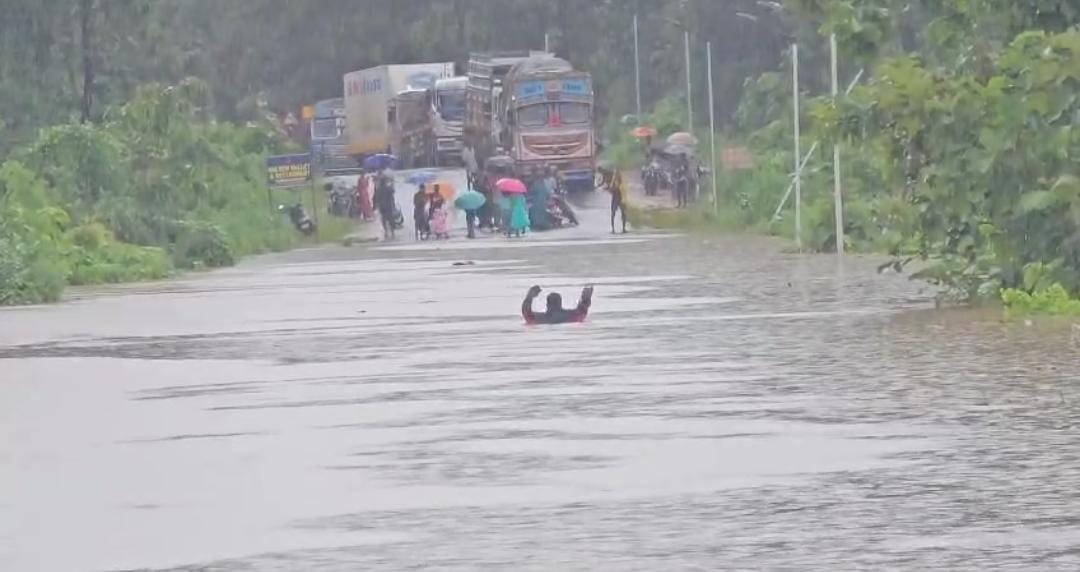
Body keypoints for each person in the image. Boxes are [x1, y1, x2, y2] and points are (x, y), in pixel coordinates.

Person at [521, 285, 594, 325]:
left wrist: (529, 297)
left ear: (547, 304)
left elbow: (526, 312)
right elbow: (582, 311)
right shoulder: (571, 315)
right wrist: (585, 297)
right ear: (560, 303)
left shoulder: (539, 318)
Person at [373, 171, 397, 240]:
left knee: (384, 220)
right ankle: (392, 232)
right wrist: (392, 183)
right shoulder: (387, 188)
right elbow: (393, 191)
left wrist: (377, 205)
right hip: (388, 206)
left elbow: (377, 198)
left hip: (382, 207)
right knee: (390, 219)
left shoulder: (379, 189)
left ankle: (386, 231)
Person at [606, 169, 628, 234]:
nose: (617, 175)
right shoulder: (613, 182)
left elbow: (625, 190)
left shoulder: (622, 182)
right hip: (616, 198)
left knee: (623, 213)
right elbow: (610, 189)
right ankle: (613, 229)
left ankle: (623, 228)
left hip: (621, 198)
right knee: (613, 213)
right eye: (616, 174)